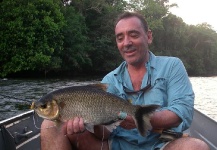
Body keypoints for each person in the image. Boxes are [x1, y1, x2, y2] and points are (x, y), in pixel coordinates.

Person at [40, 12, 210, 150]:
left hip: (162, 144)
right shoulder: (109, 80)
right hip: (116, 146)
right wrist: (90, 123)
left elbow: (182, 111)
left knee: (196, 147)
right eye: (120, 38)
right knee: (49, 127)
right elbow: (105, 133)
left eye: (133, 35)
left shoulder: (172, 66)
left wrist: (141, 118)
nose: (126, 43)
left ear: (148, 36)